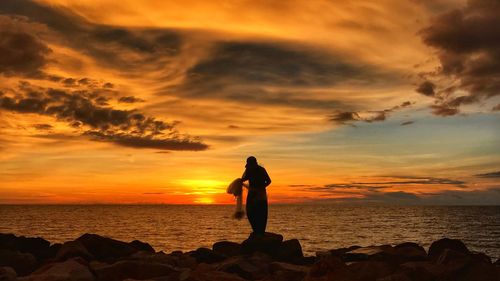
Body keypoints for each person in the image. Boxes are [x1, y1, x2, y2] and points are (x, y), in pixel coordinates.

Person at [241, 156, 271, 235]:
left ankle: (259, 231)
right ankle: (258, 231)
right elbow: (244, 178)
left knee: (258, 212)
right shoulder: (252, 170)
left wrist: (261, 187)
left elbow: (268, 181)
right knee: (254, 212)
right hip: (256, 194)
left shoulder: (258, 170)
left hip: (257, 195)